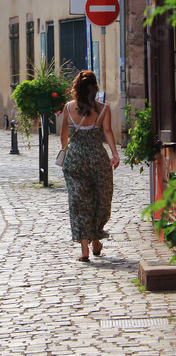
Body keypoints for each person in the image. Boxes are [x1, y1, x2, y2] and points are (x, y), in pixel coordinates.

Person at [60, 70, 120, 261]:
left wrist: (65, 152)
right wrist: (115, 154)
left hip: (75, 159)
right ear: (95, 88)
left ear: (76, 88)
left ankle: (85, 249)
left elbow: (64, 136)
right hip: (97, 158)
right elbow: (108, 131)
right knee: (99, 199)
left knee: (78, 203)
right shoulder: (103, 109)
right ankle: (96, 240)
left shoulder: (68, 108)